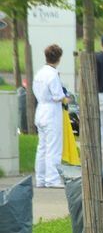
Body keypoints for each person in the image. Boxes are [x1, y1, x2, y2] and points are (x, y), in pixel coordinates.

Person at [32, 44, 66, 188]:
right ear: (58, 58)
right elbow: (58, 96)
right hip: (52, 112)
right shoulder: (53, 74)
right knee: (54, 147)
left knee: (42, 147)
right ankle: (52, 179)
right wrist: (67, 97)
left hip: (40, 110)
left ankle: (40, 178)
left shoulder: (39, 73)